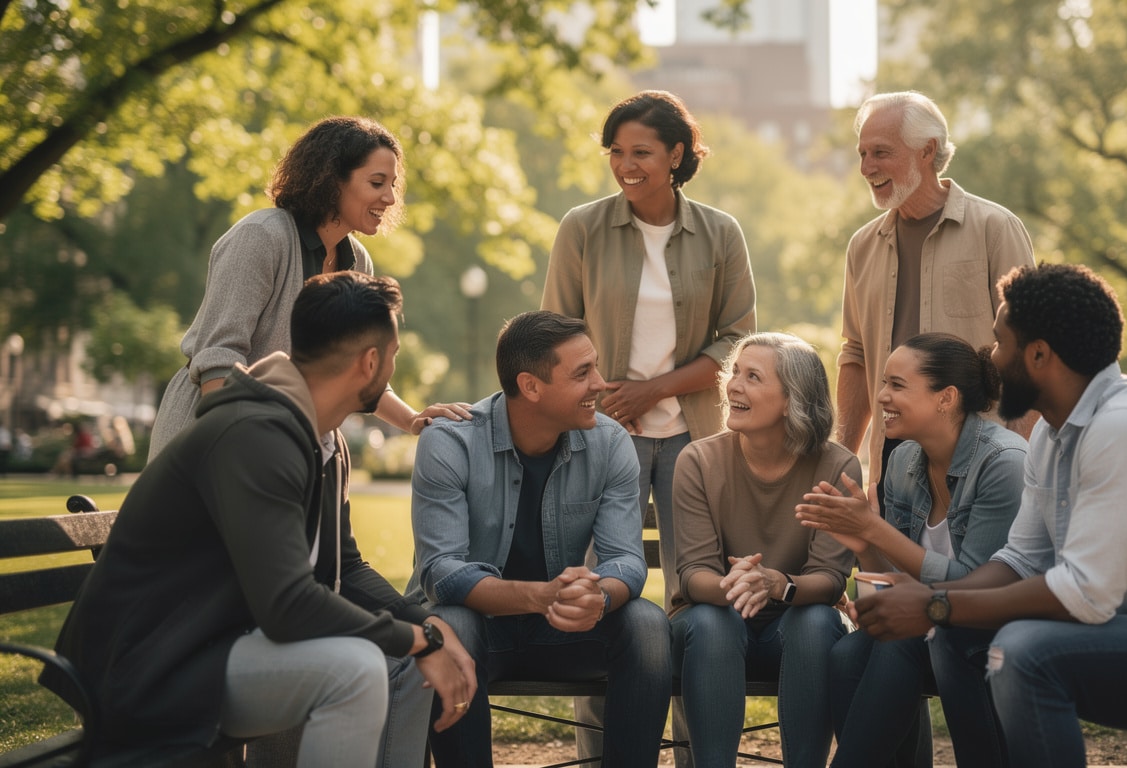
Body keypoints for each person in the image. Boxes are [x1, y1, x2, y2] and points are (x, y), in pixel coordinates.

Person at [852, 264, 1127, 767]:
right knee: (957, 637)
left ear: (1039, 354)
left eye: (1001, 342)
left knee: (1026, 652)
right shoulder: (1052, 432)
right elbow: (1021, 559)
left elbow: (1084, 593)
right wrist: (937, 602)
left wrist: (936, 605)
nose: (991, 358)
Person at [45, 272, 475, 768]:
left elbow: (348, 570)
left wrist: (429, 626)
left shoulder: (315, 437)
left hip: (203, 647)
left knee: (369, 661)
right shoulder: (256, 435)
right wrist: (419, 641)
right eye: (394, 355)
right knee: (354, 669)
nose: (392, 366)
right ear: (371, 362)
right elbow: (288, 605)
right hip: (145, 666)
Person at [541, 89, 755, 763]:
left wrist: (653, 390)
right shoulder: (582, 227)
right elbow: (554, 332)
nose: (625, 165)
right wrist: (607, 399)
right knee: (602, 590)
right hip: (602, 436)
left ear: (677, 156)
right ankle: (603, 752)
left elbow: (738, 339)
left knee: (697, 592)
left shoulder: (720, 233)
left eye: (640, 152)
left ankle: (698, 751)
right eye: (615, 152)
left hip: (696, 437)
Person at [390, 310, 673, 768]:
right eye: (583, 373)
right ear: (532, 386)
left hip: (569, 632)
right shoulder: (450, 441)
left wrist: (597, 595)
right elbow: (440, 572)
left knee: (646, 624)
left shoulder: (611, 443)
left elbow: (625, 559)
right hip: (482, 630)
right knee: (450, 623)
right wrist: (541, 597)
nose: (601, 384)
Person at [148, 115, 468, 461]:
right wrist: (246, 451)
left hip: (285, 446)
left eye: (392, 184)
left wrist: (413, 419)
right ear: (332, 181)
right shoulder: (260, 238)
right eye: (377, 182)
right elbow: (218, 363)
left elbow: (360, 367)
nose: (390, 198)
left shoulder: (359, 264)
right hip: (208, 442)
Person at [796, 332, 1027, 768]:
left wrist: (875, 529)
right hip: (931, 620)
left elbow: (977, 590)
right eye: (884, 382)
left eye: (897, 385)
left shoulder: (1002, 464)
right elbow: (897, 578)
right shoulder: (904, 460)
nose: (881, 395)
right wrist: (865, 544)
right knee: (849, 653)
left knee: (898, 644)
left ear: (946, 398)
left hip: (997, 622)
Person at [671, 332, 856, 768]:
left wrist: (778, 585)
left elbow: (830, 580)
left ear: (793, 400)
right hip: (709, 625)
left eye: (753, 377)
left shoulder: (836, 465)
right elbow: (693, 574)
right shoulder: (698, 461)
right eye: (735, 372)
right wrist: (737, 586)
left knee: (815, 621)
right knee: (714, 623)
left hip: (792, 627)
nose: (733, 385)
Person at [834, 91, 1035, 483]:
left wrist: (1020, 461)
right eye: (862, 154)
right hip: (892, 465)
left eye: (880, 152)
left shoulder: (995, 229)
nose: (866, 167)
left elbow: (1030, 349)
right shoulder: (861, 246)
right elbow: (855, 355)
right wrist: (843, 459)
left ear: (927, 151)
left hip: (983, 456)